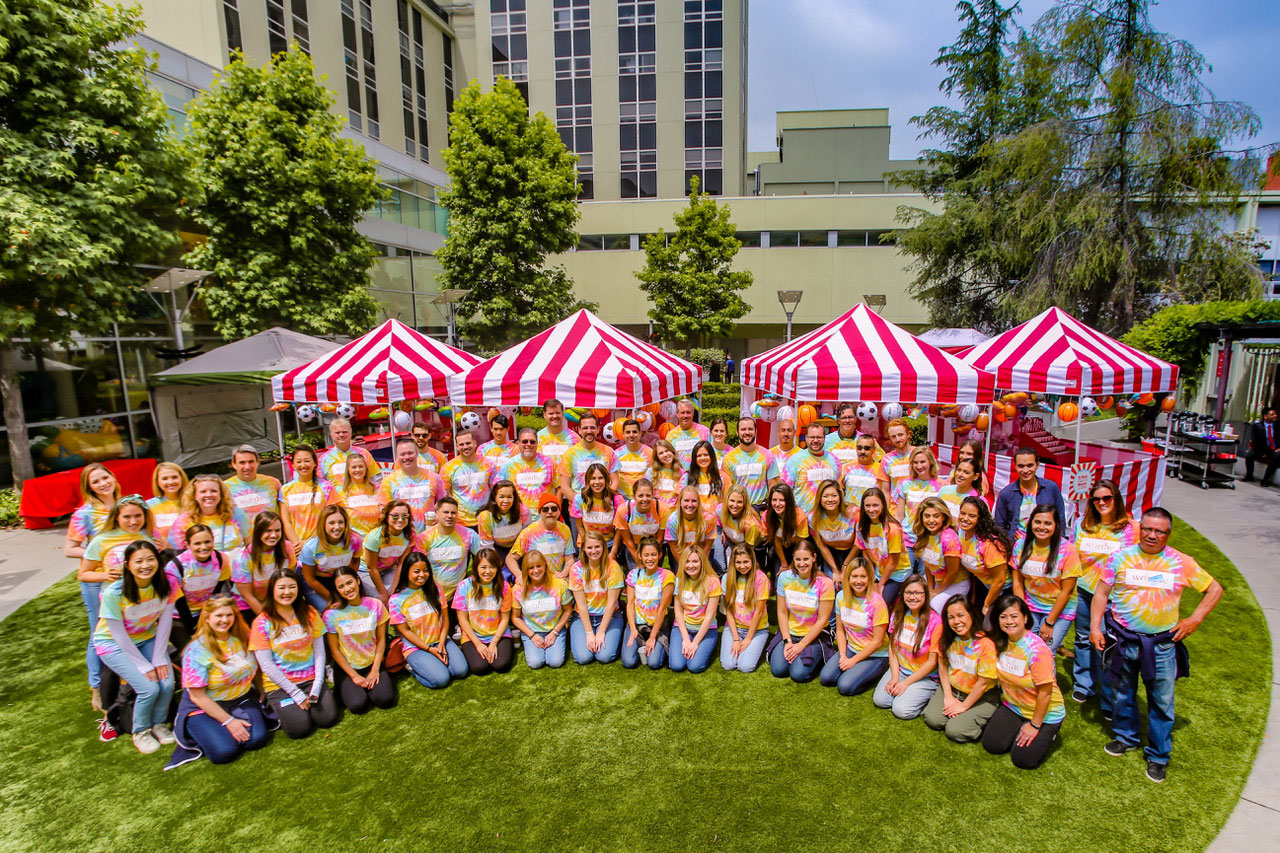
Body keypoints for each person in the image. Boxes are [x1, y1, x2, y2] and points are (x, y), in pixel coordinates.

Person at [1090, 507, 1223, 783]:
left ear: (1168, 533)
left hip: (1162, 645)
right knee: (1122, 693)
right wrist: (1094, 627)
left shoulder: (1181, 562)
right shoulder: (1119, 557)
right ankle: (1126, 737)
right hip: (1122, 640)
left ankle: (1158, 755)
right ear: (1140, 529)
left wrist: (1194, 620)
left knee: (1161, 701)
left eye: (1159, 531)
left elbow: (1214, 589)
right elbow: (1101, 593)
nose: (1152, 535)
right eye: (1147, 529)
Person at [92, 540, 181, 753]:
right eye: (138, 561)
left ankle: (159, 724)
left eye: (151, 559)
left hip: (147, 638)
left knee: (167, 683)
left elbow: (165, 622)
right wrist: (143, 665)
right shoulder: (114, 593)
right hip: (112, 644)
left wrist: (159, 658)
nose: (145, 565)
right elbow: (118, 634)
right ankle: (140, 731)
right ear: (127, 564)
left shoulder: (168, 583)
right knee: (148, 687)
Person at [78, 496, 155, 715]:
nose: (133, 521)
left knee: (141, 646)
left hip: (142, 605)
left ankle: (136, 694)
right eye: (127, 517)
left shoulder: (146, 536)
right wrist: (104, 573)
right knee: (115, 650)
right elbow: (83, 574)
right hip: (114, 604)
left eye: (137, 516)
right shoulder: (101, 540)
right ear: (117, 517)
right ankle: (106, 701)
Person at [173, 595, 270, 765]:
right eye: (218, 615)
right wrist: (229, 721)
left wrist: (262, 690)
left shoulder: (243, 637)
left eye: (229, 615)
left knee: (257, 740)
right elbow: (197, 695)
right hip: (203, 706)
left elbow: (257, 667)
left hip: (240, 699)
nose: (224, 620)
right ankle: (198, 728)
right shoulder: (196, 650)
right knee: (225, 752)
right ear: (207, 618)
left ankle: (225, 728)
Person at [249, 571, 340, 739]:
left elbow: (319, 652)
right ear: (272, 590)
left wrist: (318, 684)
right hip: (280, 686)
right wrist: (296, 694)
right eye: (281, 587)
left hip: (311, 680)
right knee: (300, 729)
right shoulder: (262, 622)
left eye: (292, 587)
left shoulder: (309, 612)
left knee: (327, 719)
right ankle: (279, 707)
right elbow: (267, 665)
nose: (287, 592)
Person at [1071, 479, 1137, 708]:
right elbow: (1072, 554)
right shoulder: (1082, 524)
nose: (1102, 503)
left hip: (1114, 597)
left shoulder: (1130, 528)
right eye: (1096, 499)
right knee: (1082, 639)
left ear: (1116, 499)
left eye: (1107, 498)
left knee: (1108, 645)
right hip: (1084, 591)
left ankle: (1108, 695)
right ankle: (1083, 685)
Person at [983, 594, 1064, 769]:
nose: (1009, 621)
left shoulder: (1037, 650)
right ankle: (1017, 727)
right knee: (993, 745)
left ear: (1025, 618)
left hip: (1045, 713)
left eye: (1014, 616)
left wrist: (1035, 725)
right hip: (1013, 705)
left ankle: (1049, 732)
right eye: (1003, 616)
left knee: (1023, 760)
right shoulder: (999, 642)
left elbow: (1046, 692)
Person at [923, 595, 1000, 743]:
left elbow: (983, 683)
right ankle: (959, 713)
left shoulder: (985, 644)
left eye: (960, 615)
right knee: (933, 720)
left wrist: (963, 706)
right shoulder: (946, 637)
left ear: (971, 614)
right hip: (953, 689)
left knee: (955, 731)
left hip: (981, 696)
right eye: (951, 617)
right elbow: (943, 667)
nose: (956, 622)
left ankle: (983, 719)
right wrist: (948, 696)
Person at [388, 552, 468, 688]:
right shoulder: (396, 600)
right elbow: (405, 632)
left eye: (425, 570)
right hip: (415, 647)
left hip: (440, 640)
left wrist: (442, 643)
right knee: (441, 679)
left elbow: (445, 618)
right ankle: (412, 668)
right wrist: (429, 649)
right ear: (406, 572)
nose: (422, 575)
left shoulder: (436, 588)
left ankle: (434, 661)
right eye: (416, 571)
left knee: (461, 671)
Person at [322, 567, 395, 713]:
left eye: (349, 583)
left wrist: (375, 670)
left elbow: (381, 640)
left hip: (372, 663)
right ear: (336, 590)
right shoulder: (331, 615)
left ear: (358, 580)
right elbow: (334, 650)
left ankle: (369, 684)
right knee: (358, 705)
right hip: (348, 669)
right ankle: (346, 688)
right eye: (341, 586)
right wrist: (354, 676)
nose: (347, 589)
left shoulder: (375, 605)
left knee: (385, 699)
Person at [1011, 504, 1080, 654]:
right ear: (1031, 524)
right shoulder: (1021, 545)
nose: (1042, 527)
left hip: (1059, 610)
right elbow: (1017, 582)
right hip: (1031, 605)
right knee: (1026, 648)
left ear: (1056, 525)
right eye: (1038, 522)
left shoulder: (1067, 550)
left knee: (1046, 653)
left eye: (1048, 523)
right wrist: (1023, 611)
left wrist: (1049, 623)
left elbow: (1067, 591)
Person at [872, 574, 941, 719]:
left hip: (925, 676)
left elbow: (932, 662)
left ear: (926, 595)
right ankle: (908, 694)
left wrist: (905, 684)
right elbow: (892, 648)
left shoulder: (936, 622)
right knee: (881, 700)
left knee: (901, 711)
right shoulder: (898, 614)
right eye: (908, 593)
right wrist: (895, 677)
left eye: (918, 593)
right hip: (902, 669)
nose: (913, 597)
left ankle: (928, 698)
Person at [821, 557, 890, 696]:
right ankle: (855, 670)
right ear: (848, 578)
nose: (859, 581)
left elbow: (877, 642)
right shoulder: (841, 597)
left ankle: (878, 670)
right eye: (855, 576)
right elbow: (840, 630)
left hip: (875, 655)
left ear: (869, 578)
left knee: (845, 686)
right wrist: (842, 655)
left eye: (863, 576)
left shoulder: (877, 603)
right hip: (852, 649)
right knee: (826, 678)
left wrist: (853, 661)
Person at [768, 540, 835, 682]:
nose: (802, 563)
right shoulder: (784, 578)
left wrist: (801, 646)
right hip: (790, 633)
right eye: (798, 559)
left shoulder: (825, 583)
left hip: (814, 636)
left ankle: (820, 655)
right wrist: (787, 641)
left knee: (798, 675)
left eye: (806, 559)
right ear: (793, 558)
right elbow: (782, 612)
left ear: (814, 558)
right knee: (778, 670)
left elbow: (823, 619)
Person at [452, 549, 516, 675]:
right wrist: (478, 644)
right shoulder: (464, 586)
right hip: (472, 635)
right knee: (479, 668)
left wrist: (494, 642)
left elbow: (504, 618)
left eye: (492, 567)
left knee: (501, 665)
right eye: (483, 567)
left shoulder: (504, 586)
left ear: (497, 568)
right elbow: (462, 619)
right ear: (476, 568)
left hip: (498, 634)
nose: (488, 571)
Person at [567, 530, 625, 664]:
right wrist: (589, 633)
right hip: (583, 617)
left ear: (603, 547)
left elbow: (611, 603)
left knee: (604, 656)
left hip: (609, 616)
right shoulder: (576, 569)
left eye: (597, 547)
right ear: (584, 549)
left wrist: (601, 632)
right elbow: (581, 605)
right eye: (589, 547)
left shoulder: (613, 567)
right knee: (583, 658)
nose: (594, 551)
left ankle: (612, 634)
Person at [512, 550, 573, 670]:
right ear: (525, 570)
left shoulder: (559, 584)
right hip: (532, 630)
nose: (535, 571)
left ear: (545, 565)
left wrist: (555, 632)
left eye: (539, 566)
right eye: (531, 568)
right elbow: (515, 617)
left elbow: (568, 610)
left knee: (555, 662)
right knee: (535, 663)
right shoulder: (518, 589)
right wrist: (532, 635)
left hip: (555, 629)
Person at [621, 536, 675, 670]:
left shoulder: (667, 576)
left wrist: (652, 637)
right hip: (637, 625)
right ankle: (640, 642)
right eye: (646, 555)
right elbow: (630, 604)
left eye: (653, 555)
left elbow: (663, 608)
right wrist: (633, 629)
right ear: (640, 555)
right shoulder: (634, 574)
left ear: (660, 555)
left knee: (654, 663)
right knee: (628, 662)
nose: (650, 559)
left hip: (658, 626)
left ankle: (658, 643)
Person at [413, 496, 481, 600]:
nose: (450, 516)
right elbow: (414, 568)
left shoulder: (469, 535)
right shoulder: (424, 538)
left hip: (458, 595)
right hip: (431, 594)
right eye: (445, 512)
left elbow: (485, 558)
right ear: (437, 514)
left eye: (453, 513)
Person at [955, 497, 1012, 616]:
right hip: (983, 584)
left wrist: (987, 605)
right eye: (963, 513)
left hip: (1003, 590)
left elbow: (1000, 580)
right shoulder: (961, 532)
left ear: (980, 519)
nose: (965, 518)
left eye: (972, 516)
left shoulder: (988, 545)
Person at [298, 504, 363, 610]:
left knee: (355, 604)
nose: (337, 527)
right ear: (323, 524)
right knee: (329, 608)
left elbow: (355, 562)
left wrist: (347, 582)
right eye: (331, 523)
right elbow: (310, 578)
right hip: (315, 580)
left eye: (340, 522)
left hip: (339, 577)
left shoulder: (355, 541)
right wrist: (333, 598)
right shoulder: (311, 547)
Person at [719, 543, 771, 673]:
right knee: (728, 664)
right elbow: (728, 610)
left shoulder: (761, 578)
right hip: (734, 627)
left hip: (757, 629)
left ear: (752, 560)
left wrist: (748, 639)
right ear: (733, 563)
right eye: (738, 562)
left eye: (746, 562)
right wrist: (736, 639)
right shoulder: (727, 578)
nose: (742, 566)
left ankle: (761, 643)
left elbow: (759, 612)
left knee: (745, 666)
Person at [892, 447, 945, 572]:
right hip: (908, 538)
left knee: (925, 577)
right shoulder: (905, 484)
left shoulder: (942, 486)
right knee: (905, 576)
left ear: (930, 462)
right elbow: (900, 514)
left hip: (930, 540)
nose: (919, 466)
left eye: (922, 462)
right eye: (915, 462)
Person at [669, 547, 722, 673]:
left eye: (695, 561)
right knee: (677, 665)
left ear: (702, 562)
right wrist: (686, 639)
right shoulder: (679, 580)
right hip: (683, 627)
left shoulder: (713, 581)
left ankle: (708, 645)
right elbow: (678, 612)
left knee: (695, 666)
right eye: (687, 561)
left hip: (706, 629)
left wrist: (695, 642)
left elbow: (709, 616)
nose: (690, 565)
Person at [993, 448, 1065, 539]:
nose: (1026, 470)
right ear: (1015, 466)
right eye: (1021, 466)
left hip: (1046, 544)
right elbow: (1000, 525)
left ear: (1037, 465)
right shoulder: (1006, 493)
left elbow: (1060, 519)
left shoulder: (1051, 488)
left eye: (1030, 465)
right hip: (1017, 547)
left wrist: (1059, 544)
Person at [377, 438, 446, 534]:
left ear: (417, 453)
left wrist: (440, 516)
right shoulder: (388, 482)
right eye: (402, 454)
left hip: (430, 535)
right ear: (397, 456)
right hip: (402, 537)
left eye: (410, 453)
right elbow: (384, 510)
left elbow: (444, 503)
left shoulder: (433, 477)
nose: (406, 457)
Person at [168, 524, 231, 630]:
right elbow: (180, 602)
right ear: (188, 544)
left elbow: (216, 592)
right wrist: (193, 629)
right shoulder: (174, 567)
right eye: (197, 543)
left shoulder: (221, 559)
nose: (204, 547)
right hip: (180, 617)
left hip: (206, 612)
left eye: (207, 542)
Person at [168, 474, 252, 553]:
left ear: (221, 494)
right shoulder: (182, 522)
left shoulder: (236, 514)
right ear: (194, 495)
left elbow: (250, 544)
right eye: (203, 491)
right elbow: (179, 554)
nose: (208, 495)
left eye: (213, 491)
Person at [558, 414, 615, 527]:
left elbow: (615, 481)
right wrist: (582, 503)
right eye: (585, 428)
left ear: (598, 430)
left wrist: (603, 501)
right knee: (581, 543)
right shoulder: (570, 454)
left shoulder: (608, 452)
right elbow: (564, 487)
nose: (589, 431)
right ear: (579, 430)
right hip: (579, 512)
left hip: (604, 511)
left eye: (592, 427)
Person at [231, 511, 291, 616]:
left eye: (277, 530)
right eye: (268, 531)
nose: (273, 535)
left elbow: (290, 581)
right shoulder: (243, 558)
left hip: (278, 600)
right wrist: (268, 620)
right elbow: (248, 596)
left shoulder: (287, 548)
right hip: (248, 605)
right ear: (258, 532)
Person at [276, 448, 334, 557]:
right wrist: (297, 544)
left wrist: (308, 543)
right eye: (298, 461)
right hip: (297, 549)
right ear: (293, 464)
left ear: (314, 463)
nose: (303, 465)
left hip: (323, 544)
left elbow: (331, 518)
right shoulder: (285, 489)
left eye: (307, 461)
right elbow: (286, 522)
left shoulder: (327, 487)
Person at [914, 496, 965, 614]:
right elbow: (928, 565)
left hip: (955, 583)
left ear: (943, 516)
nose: (931, 520)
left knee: (933, 605)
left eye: (936, 516)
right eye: (927, 516)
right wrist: (931, 589)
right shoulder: (924, 535)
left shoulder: (948, 538)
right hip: (936, 580)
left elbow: (953, 572)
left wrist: (936, 592)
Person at [507, 493, 575, 580]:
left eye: (554, 509)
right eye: (545, 509)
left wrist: (564, 572)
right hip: (535, 580)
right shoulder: (528, 532)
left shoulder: (565, 530)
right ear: (540, 512)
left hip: (558, 580)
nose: (550, 512)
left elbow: (570, 558)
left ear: (559, 511)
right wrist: (519, 575)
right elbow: (510, 558)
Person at [855, 487, 905, 601]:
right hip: (877, 571)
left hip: (897, 573)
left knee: (880, 601)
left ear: (883, 506)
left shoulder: (892, 529)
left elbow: (894, 562)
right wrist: (872, 578)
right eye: (867, 506)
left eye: (875, 505)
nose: (871, 509)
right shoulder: (861, 527)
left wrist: (880, 584)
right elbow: (865, 553)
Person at [720, 416, 780, 511]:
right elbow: (727, 490)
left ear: (755, 431)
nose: (747, 432)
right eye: (743, 429)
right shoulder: (729, 459)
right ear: (737, 432)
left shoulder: (768, 456)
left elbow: (773, 486)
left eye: (750, 429)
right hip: (738, 511)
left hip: (760, 511)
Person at [440, 430, 497, 528]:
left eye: (468, 443)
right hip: (460, 523)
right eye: (461, 444)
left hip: (486, 519)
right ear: (457, 446)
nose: (465, 447)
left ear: (475, 443)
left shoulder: (489, 464)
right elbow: (443, 498)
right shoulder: (447, 468)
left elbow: (495, 491)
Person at [782, 422, 841, 516]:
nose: (816, 440)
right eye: (812, 437)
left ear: (824, 438)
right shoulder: (794, 461)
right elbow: (784, 492)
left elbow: (839, 489)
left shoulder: (834, 461)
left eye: (819, 437)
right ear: (806, 438)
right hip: (802, 520)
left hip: (828, 520)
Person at [360, 501, 415, 601]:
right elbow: (371, 568)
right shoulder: (375, 537)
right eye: (395, 516)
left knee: (397, 595)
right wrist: (383, 593)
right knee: (380, 598)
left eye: (404, 516)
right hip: (366, 572)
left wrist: (393, 590)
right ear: (387, 516)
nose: (400, 519)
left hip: (389, 569)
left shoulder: (409, 535)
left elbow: (401, 564)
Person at [67, 463, 122, 561]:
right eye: (96, 482)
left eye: (105, 478)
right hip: (105, 571)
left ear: (113, 477)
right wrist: (101, 555)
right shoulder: (84, 514)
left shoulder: (127, 504)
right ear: (90, 487)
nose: (103, 483)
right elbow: (70, 550)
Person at [476, 480, 530, 572]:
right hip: (497, 548)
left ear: (514, 498)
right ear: (494, 498)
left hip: (517, 547)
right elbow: (487, 545)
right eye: (501, 497)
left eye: (509, 497)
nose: (506, 501)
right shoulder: (485, 516)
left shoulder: (523, 511)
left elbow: (527, 537)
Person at [501, 427, 558, 512]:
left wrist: (556, 510)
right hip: (518, 517)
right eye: (524, 441)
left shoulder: (549, 463)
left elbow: (559, 488)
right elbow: (498, 490)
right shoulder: (508, 465)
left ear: (537, 444)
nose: (529, 444)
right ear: (518, 443)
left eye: (532, 441)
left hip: (544, 516)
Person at [613, 478, 663, 570]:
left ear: (653, 495)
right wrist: (639, 560)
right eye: (640, 496)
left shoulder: (661, 508)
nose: (645, 499)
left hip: (654, 547)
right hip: (634, 547)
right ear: (634, 496)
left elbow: (660, 538)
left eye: (648, 495)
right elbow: (627, 540)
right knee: (636, 577)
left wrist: (651, 557)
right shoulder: (624, 510)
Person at [809, 479, 858, 576]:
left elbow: (858, 544)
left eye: (834, 496)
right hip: (830, 553)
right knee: (833, 581)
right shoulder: (812, 518)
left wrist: (845, 565)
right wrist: (835, 570)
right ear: (820, 498)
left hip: (853, 553)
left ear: (840, 497)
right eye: (825, 496)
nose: (830, 500)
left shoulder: (854, 513)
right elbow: (821, 545)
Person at [573, 462, 625, 551]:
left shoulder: (617, 500)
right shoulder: (579, 499)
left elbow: (620, 529)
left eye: (600, 478)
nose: (597, 482)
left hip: (609, 545)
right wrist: (587, 545)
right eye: (593, 478)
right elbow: (580, 527)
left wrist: (614, 551)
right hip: (587, 545)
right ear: (588, 481)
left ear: (606, 480)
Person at [664, 486, 717, 570]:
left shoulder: (709, 518)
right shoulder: (672, 520)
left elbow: (708, 546)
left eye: (694, 501)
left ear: (699, 503)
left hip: (703, 553)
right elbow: (673, 547)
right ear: (680, 502)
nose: (690, 504)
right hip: (681, 553)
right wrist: (684, 566)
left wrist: (700, 565)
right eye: (686, 500)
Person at [762, 483, 809, 578]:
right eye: (774, 500)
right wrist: (784, 564)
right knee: (780, 575)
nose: (777, 504)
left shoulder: (799, 516)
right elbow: (776, 540)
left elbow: (801, 541)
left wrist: (792, 564)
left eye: (782, 500)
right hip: (779, 548)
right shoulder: (767, 516)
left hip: (798, 547)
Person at [717, 484, 765, 571]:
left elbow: (747, 551)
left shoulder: (750, 524)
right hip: (733, 542)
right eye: (732, 501)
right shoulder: (720, 510)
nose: (735, 505)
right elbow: (720, 526)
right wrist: (724, 532)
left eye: (739, 502)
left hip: (754, 547)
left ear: (745, 503)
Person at [317, 417, 376, 488]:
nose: (341, 435)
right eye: (337, 433)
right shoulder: (323, 459)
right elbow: (320, 485)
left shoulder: (363, 453)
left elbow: (375, 478)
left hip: (362, 497)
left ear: (350, 433)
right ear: (331, 435)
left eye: (344, 432)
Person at [223, 445, 280, 519]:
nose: (247, 467)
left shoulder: (273, 483)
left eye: (251, 462)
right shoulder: (225, 488)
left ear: (257, 462)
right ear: (234, 464)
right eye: (242, 462)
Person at [336, 452, 381, 538]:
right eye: (353, 467)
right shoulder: (340, 491)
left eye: (360, 466)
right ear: (348, 470)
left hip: (377, 539)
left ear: (366, 469)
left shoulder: (377, 489)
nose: (357, 470)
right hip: (354, 541)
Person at [609, 419, 654, 499]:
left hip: (643, 500)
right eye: (628, 432)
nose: (631, 435)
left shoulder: (650, 453)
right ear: (623, 434)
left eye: (634, 432)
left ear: (640, 434)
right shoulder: (616, 454)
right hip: (622, 500)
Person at [841, 433, 890, 504]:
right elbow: (840, 491)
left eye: (867, 448)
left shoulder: (881, 469)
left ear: (874, 450)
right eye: (859, 448)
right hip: (849, 513)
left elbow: (885, 493)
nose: (862, 451)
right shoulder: (846, 468)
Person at [147, 461, 188, 546]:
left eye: (174, 477)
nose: (170, 482)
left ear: (181, 478)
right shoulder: (149, 506)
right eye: (165, 478)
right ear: (157, 482)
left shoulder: (192, 502)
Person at [824, 403, 875, 470]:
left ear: (856, 419)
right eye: (844, 418)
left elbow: (879, 461)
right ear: (838, 421)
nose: (847, 421)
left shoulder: (866, 440)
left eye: (850, 417)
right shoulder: (827, 440)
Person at [666, 399, 711, 468]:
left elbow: (712, 455)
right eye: (682, 412)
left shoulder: (704, 432)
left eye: (688, 412)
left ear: (693, 413)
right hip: (679, 476)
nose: (685, 415)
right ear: (677, 414)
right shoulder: (671, 436)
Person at [686, 440, 726, 517]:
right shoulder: (686, 477)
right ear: (694, 458)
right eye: (699, 456)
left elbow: (728, 500)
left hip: (717, 523)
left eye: (706, 455)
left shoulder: (723, 477)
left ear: (712, 456)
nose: (703, 458)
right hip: (694, 521)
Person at [535, 398, 578, 468]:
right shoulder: (537, 438)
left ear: (562, 413)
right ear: (544, 414)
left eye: (557, 413)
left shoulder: (574, 438)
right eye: (551, 413)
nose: (554, 416)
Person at [1243, 406, 1278, 485]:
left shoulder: (1277, 426)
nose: (1275, 416)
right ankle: (1249, 476)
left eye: (1275, 414)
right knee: (1249, 456)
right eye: (1272, 414)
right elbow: (1255, 441)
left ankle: (1265, 480)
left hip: (1274, 449)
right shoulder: (1257, 426)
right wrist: (1263, 452)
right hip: (1261, 449)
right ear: (1265, 416)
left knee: (1276, 456)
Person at [648, 439, 684, 516]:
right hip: (657, 514)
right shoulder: (650, 472)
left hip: (675, 516)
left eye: (667, 451)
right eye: (661, 453)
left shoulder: (682, 473)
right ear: (657, 457)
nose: (665, 454)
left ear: (672, 452)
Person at [879, 418, 916, 491]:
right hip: (894, 502)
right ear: (889, 439)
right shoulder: (887, 459)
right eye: (893, 436)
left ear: (908, 434)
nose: (897, 439)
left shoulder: (920, 454)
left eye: (900, 435)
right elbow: (885, 491)